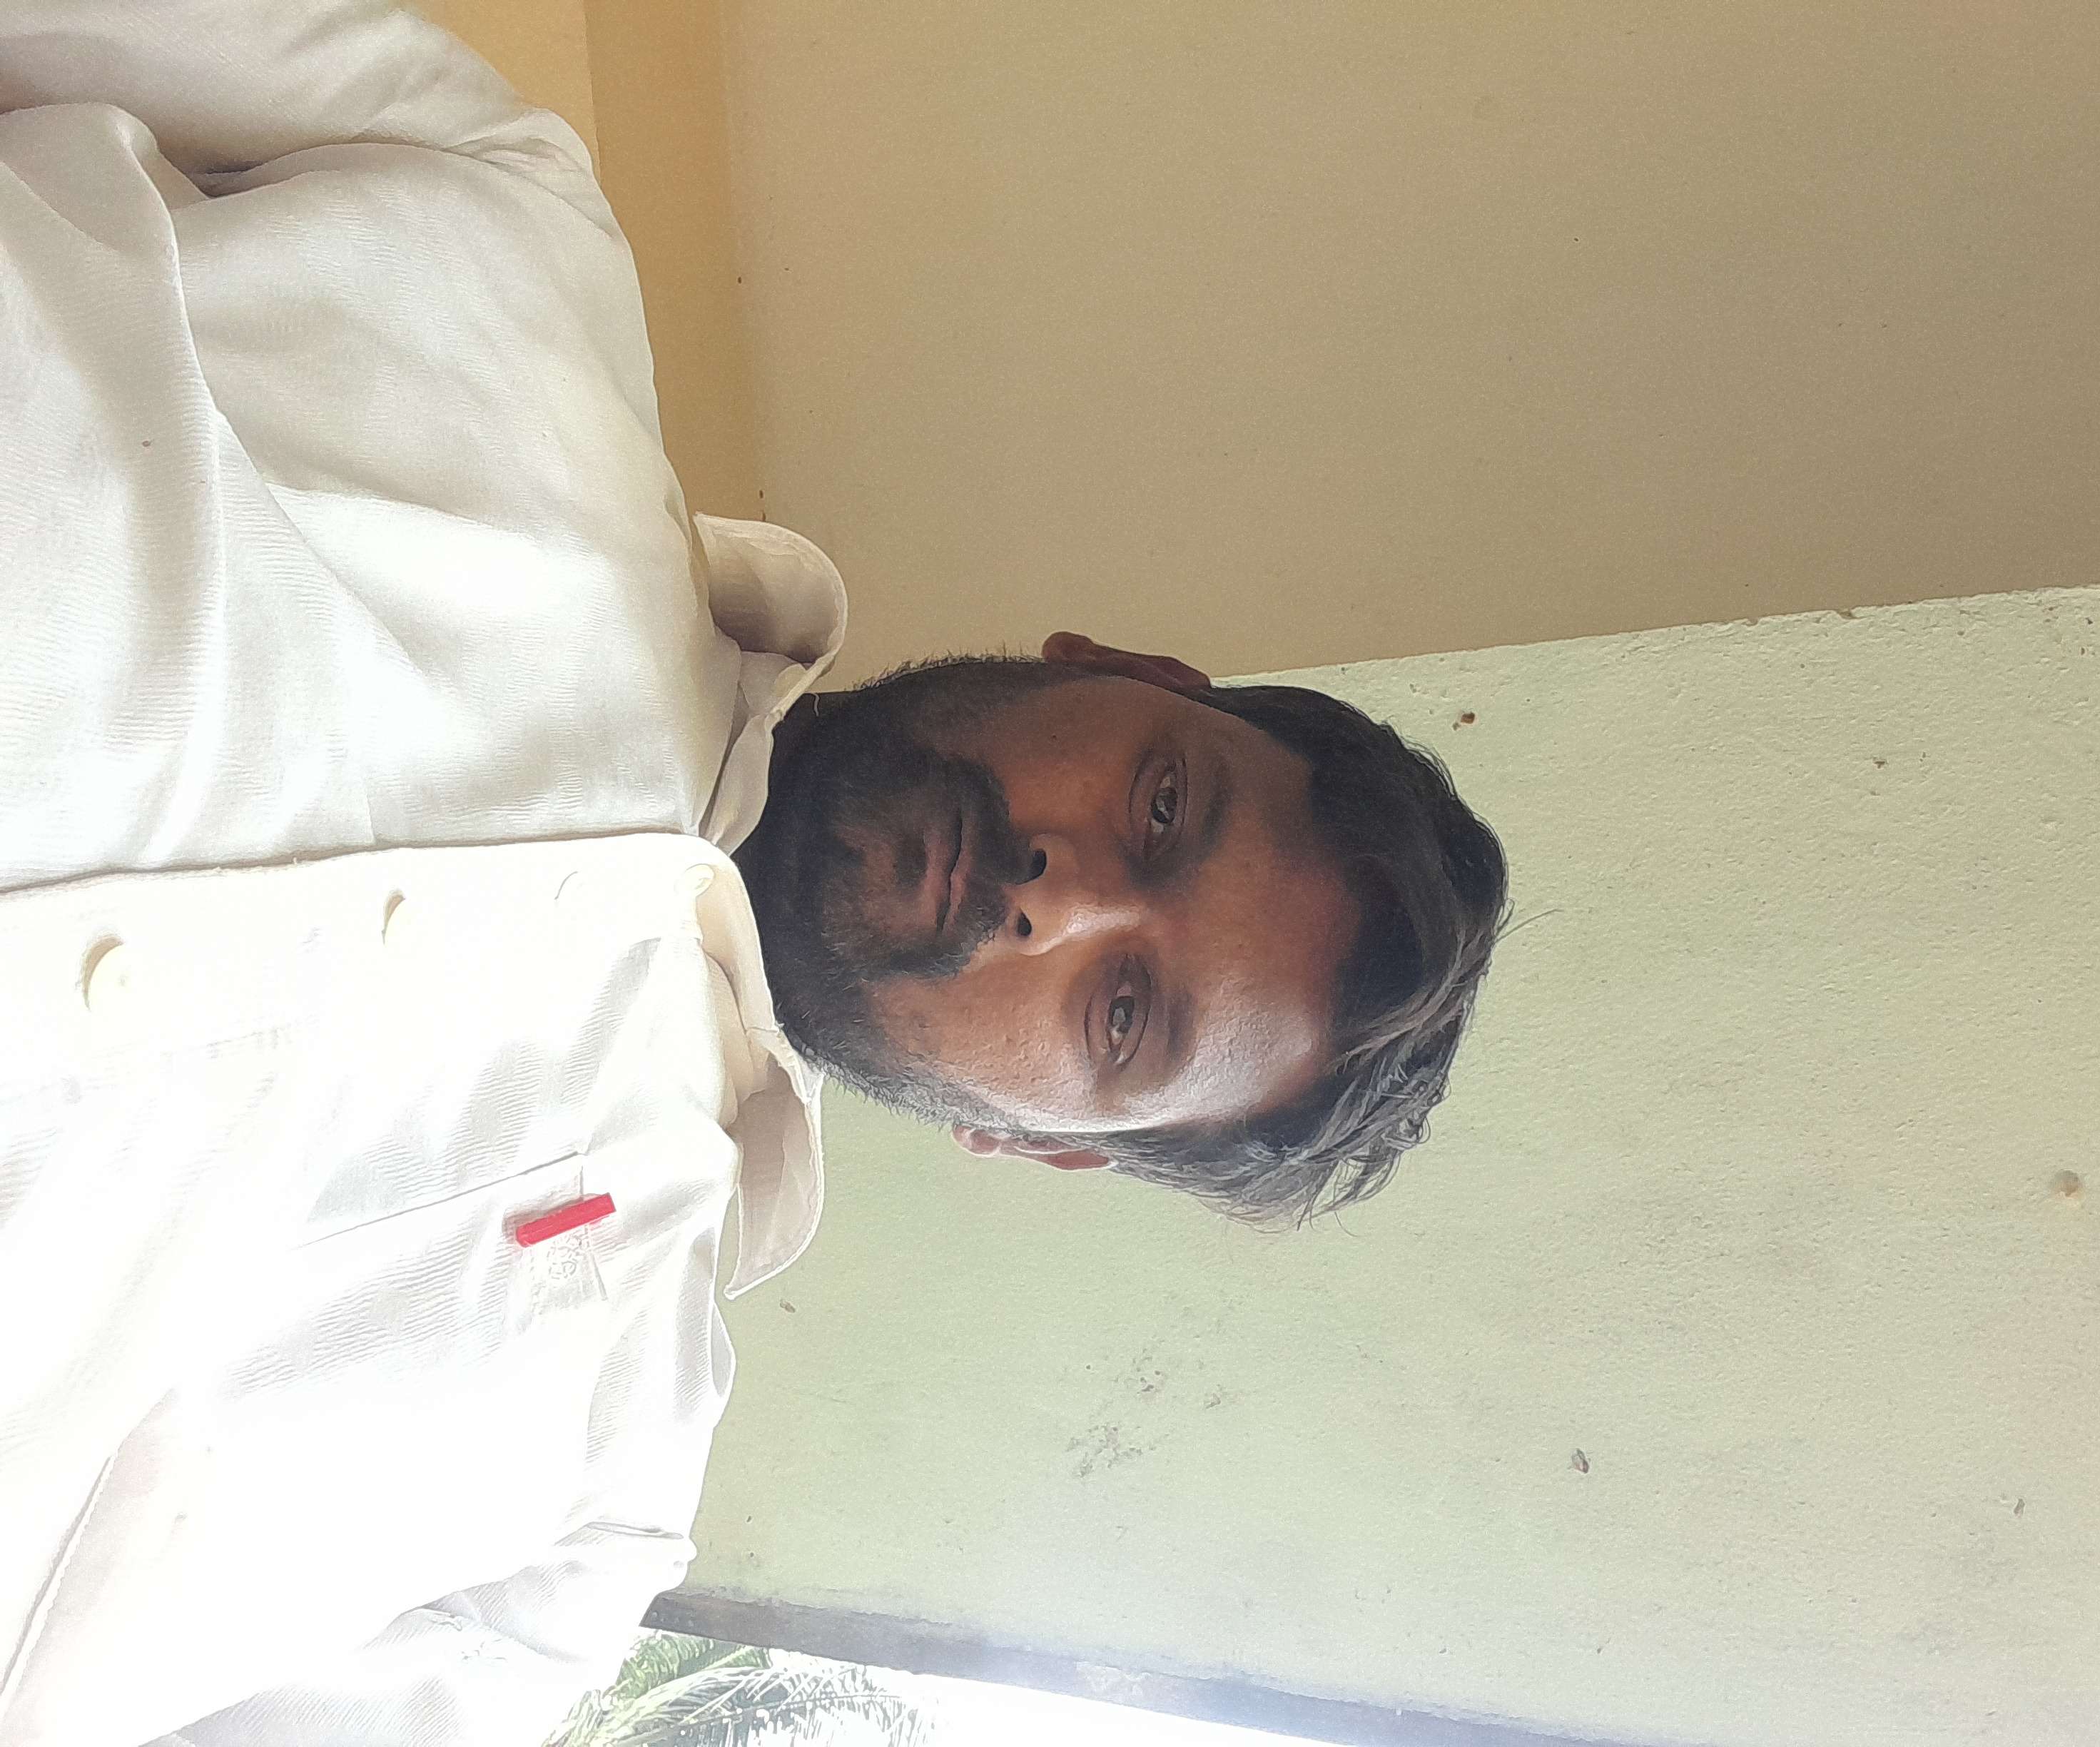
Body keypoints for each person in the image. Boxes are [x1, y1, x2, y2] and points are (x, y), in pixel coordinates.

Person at [0, 4, 1507, 1744]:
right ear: (1128, 671)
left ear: (1036, 1143)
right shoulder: (511, 226)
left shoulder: (572, 1534)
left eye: (1122, 1011)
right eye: (1165, 809)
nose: (1060, 894)